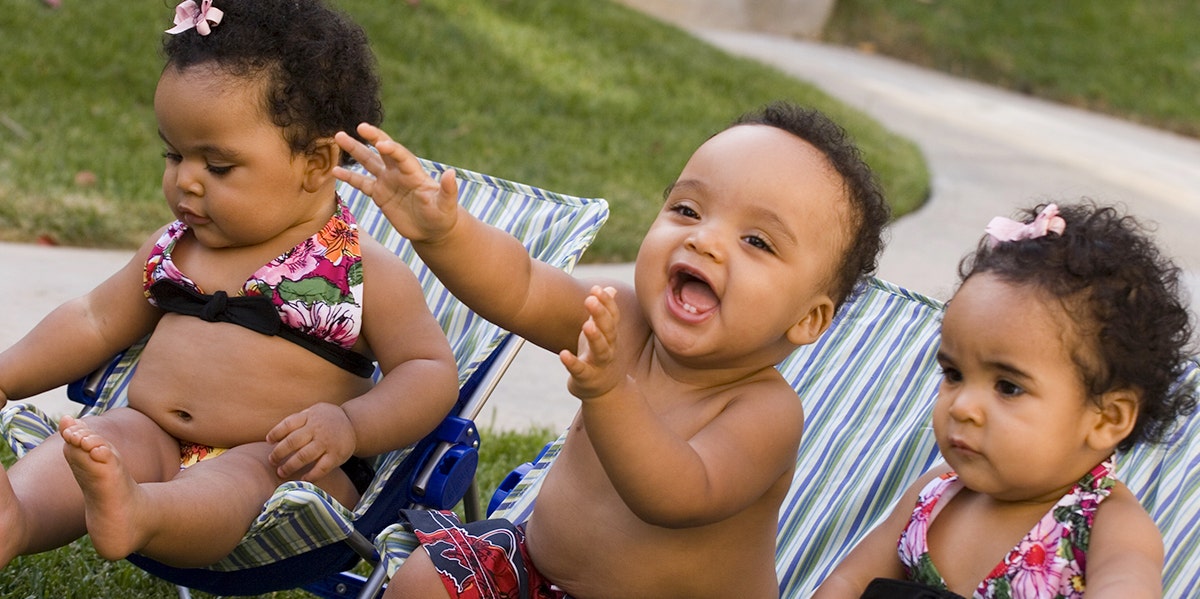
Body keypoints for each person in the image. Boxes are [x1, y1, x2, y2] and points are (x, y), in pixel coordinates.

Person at [333, 101, 891, 598]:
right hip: (535, 570)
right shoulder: (624, 318)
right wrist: (443, 232)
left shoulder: (765, 413)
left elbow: (677, 493)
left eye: (757, 241)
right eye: (688, 210)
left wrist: (608, 392)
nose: (705, 239)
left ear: (809, 318)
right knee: (424, 581)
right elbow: (522, 287)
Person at [0, 0, 459, 569]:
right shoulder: (174, 247)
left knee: (241, 476)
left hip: (280, 467)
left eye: (217, 167)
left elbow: (429, 372)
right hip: (152, 435)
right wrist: (7, 375)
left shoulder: (360, 270)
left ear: (316, 164)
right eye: (173, 154)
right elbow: (93, 319)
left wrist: (349, 424)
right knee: (103, 439)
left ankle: (139, 514)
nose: (185, 180)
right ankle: (16, 516)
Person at [814, 202, 1196, 599]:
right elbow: (848, 581)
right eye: (953, 375)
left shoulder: (1106, 529)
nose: (962, 406)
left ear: (1106, 418)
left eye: (1008, 387)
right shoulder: (935, 494)